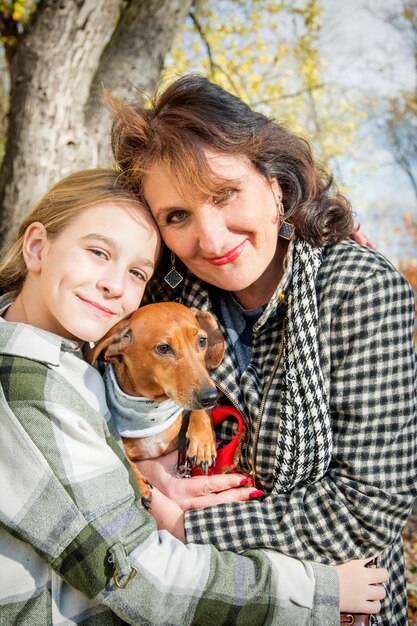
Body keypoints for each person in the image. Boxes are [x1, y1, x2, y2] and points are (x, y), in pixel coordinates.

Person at [0, 168, 388, 626]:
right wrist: (316, 590)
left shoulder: (73, 358)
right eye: (97, 252)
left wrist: (321, 218)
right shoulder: (32, 389)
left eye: (137, 271)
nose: (114, 284)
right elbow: (140, 577)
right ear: (37, 246)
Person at [108, 74, 417, 626]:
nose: (211, 238)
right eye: (176, 216)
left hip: (338, 604)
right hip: (200, 600)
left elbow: (367, 512)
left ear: (276, 184)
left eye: (224, 195)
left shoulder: (358, 289)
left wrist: (178, 523)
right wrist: (148, 482)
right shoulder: (155, 296)